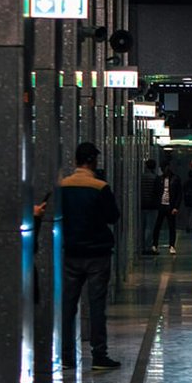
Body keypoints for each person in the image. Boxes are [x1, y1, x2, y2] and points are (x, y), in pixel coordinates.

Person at [59, 142, 121, 370]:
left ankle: (66, 356)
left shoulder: (62, 186)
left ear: (76, 161)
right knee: (96, 305)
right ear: (93, 161)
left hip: (71, 254)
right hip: (97, 254)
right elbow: (113, 217)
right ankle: (99, 355)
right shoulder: (100, 187)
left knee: (68, 306)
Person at [151, 163, 182, 255]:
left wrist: (176, 207)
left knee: (171, 227)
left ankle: (172, 245)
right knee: (157, 226)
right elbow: (155, 192)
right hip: (161, 206)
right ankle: (155, 244)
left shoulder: (175, 179)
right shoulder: (159, 179)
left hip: (170, 206)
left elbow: (179, 194)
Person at [140, 159, 158, 254]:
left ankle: (142, 246)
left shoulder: (141, 177)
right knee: (150, 227)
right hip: (152, 205)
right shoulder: (155, 178)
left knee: (142, 226)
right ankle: (147, 247)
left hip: (142, 204)